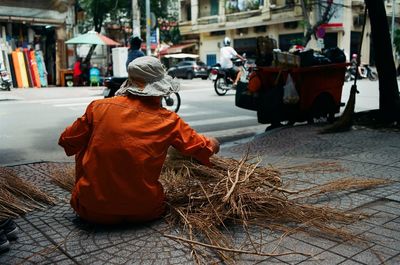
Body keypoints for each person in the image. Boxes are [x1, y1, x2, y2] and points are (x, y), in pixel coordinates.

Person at [58, 56, 220, 225]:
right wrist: (215, 142)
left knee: (85, 139)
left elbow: (66, 141)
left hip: (90, 209)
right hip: (146, 211)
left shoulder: (97, 107)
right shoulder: (169, 120)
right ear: (160, 90)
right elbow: (203, 149)